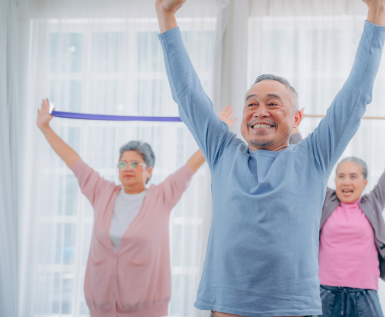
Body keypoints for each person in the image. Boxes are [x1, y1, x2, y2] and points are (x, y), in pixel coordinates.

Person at [155, 0, 385, 317]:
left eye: (273, 103)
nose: (260, 111)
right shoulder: (222, 152)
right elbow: (187, 93)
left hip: (291, 308)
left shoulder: (312, 156)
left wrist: (377, 10)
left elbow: (356, 96)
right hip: (228, 306)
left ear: (296, 119)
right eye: (251, 103)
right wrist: (167, 17)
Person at [36, 98, 237, 317]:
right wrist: (45, 128)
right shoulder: (102, 192)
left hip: (147, 308)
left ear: (149, 171)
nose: (127, 168)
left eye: (135, 164)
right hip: (101, 305)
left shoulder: (162, 195)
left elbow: (192, 165)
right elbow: (74, 161)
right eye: (122, 163)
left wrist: (217, 131)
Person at [290, 112, 385, 317]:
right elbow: (307, 165)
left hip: (365, 293)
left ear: (364, 183)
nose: (346, 182)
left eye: (353, 176)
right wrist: (293, 127)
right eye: (341, 176)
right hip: (325, 292)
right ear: (334, 181)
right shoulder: (325, 200)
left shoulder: (374, 202)